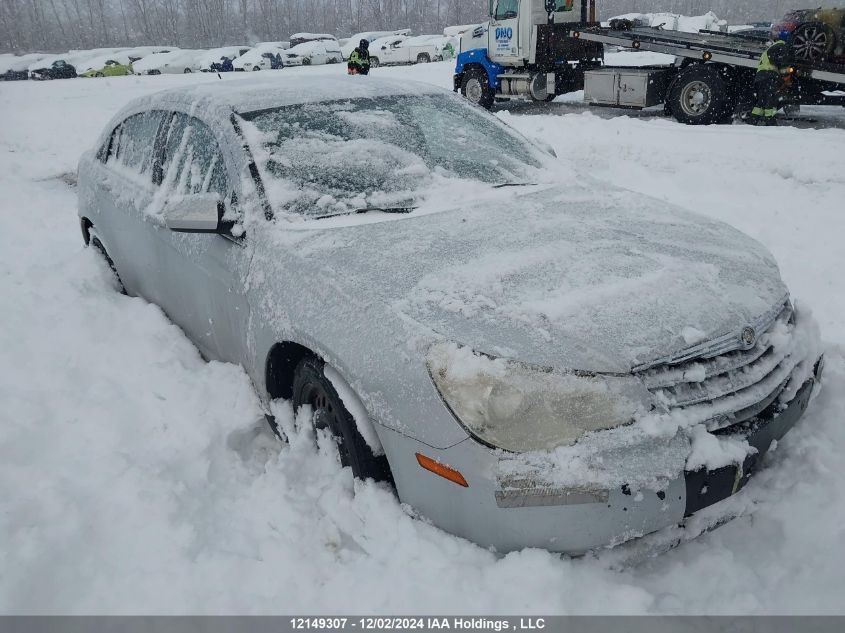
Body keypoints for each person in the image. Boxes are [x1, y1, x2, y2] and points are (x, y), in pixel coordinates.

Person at [748, 39, 793, 126]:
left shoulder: (770, 49)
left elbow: (771, 60)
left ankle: (752, 121)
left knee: (761, 100)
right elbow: (782, 63)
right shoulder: (782, 46)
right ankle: (770, 121)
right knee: (770, 99)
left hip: (760, 77)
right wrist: (787, 75)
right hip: (769, 76)